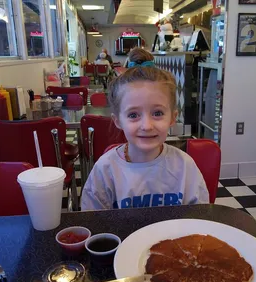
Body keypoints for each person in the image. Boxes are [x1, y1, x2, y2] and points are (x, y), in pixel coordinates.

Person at [81, 48, 209, 210]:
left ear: (172, 118)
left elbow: (200, 218)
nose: (147, 126)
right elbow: (93, 223)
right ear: (118, 121)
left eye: (157, 113)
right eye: (133, 115)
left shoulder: (184, 167)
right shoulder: (106, 170)